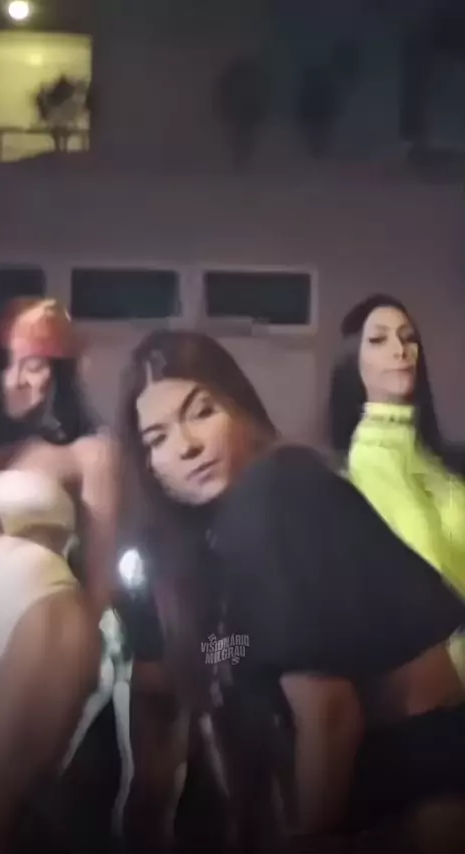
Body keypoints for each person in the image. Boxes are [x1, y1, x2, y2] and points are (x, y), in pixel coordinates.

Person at [117, 329, 465, 852]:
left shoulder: (276, 490)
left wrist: (309, 837)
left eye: (202, 412)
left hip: (421, 791)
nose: (187, 446)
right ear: (148, 465)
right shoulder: (211, 539)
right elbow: (237, 651)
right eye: (157, 438)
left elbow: (330, 713)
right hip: (381, 790)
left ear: (242, 411)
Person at [0, 298, 119, 850]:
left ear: (60, 372)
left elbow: (104, 566)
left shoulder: (90, 451)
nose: (17, 378)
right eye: (6, 363)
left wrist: (87, 654)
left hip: (41, 618)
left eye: (34, 363)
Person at [326, 294, 465, 707]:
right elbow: (426, 589)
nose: (399, 350)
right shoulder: (370, 458)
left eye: (408, 338)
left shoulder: (429, 452)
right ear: (353, 362)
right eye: (379, 339)